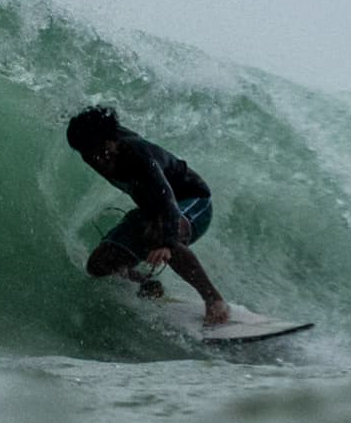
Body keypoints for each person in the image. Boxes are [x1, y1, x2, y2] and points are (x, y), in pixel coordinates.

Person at [67, 103, 233, 327]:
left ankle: (214, 301)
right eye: (86, 154)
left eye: (98, 151)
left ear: (111, 140)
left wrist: (166, 242)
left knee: (159, 236)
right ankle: (147, 284)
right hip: (153, 207)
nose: (94, 159)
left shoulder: (136, 154)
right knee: (99, 264)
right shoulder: (96, 149)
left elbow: (167, 199)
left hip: (192, 201)